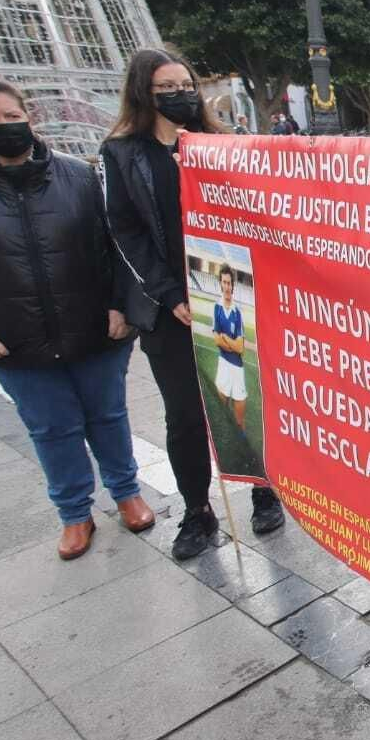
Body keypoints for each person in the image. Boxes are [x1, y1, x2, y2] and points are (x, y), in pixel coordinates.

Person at [0, 77, 154, 560]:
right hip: (14, 339)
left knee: (108, 416)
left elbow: (116, 245)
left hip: (94, 328)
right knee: (51, 428)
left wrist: (118, 305)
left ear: (29, 117)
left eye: (10, 116)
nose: (3, 126)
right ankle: (74, 514)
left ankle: (127, 492)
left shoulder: (78, 176)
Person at [103, 48, 285, 560]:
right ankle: (196, 512)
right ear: (144, 92)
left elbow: (251, 214)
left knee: (241, 399)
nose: (180, 93)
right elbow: (125, 231)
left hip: (229, 297)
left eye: (186, 84)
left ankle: (263, 488)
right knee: (184, 415)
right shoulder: (122, 153)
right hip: (169, 309)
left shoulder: (219, 142)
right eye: (167, 87)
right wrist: (171, 294)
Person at [212, 268, 249, 430]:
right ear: (221, 284)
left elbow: (240, 348)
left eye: (229, 283)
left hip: (237, 366)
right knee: (221, 408)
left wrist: (225, 337)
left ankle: (240, 435)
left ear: (233, 286)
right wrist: (230, 341)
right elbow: (216, 340)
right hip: (223, 362)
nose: (227, 287)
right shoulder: (217, 308)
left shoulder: (237, 312)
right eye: (224, 282)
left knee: (240, 416)